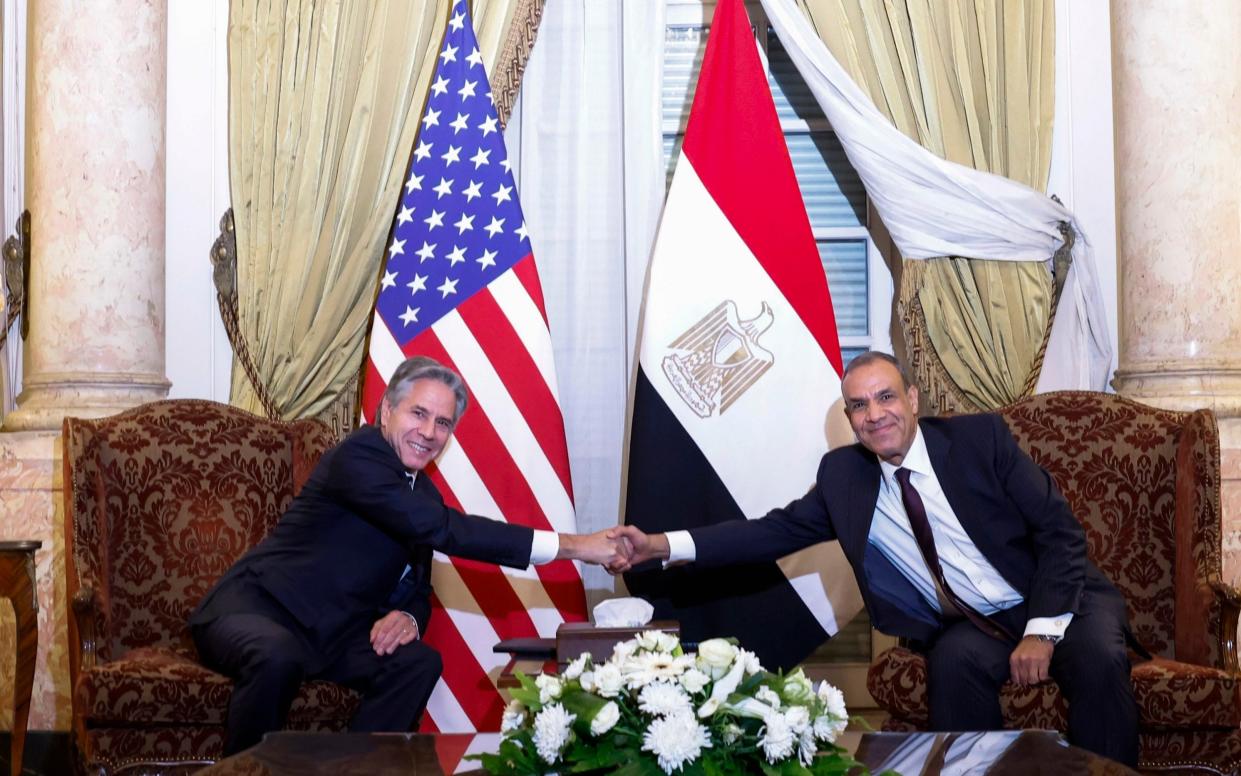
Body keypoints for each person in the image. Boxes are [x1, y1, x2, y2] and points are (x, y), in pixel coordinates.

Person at [611, 351, 1139, 766]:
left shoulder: (980, 441)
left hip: (1057, 596)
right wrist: (660, 545)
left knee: (1097, 656)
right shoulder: (845, 478)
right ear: (849, 417)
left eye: (885, 397)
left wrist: (1042, 631)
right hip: (976, 624)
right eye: (860, 406)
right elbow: (769, 533)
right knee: (951, 662)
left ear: (911, 397)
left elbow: (1060, 533)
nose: (875, 414)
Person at [191, 356, 622, 755]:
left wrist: (410, 618)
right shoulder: (358, 458)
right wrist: (575, 545)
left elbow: (417, 582)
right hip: (256, 611)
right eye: (418, 414)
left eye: (443, 423)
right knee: (276, 655)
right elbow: (442, 529)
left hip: (328, 635)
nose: (429, 432)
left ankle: (358, 769)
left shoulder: (421, 493)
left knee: (417, 662)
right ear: (386, 412)